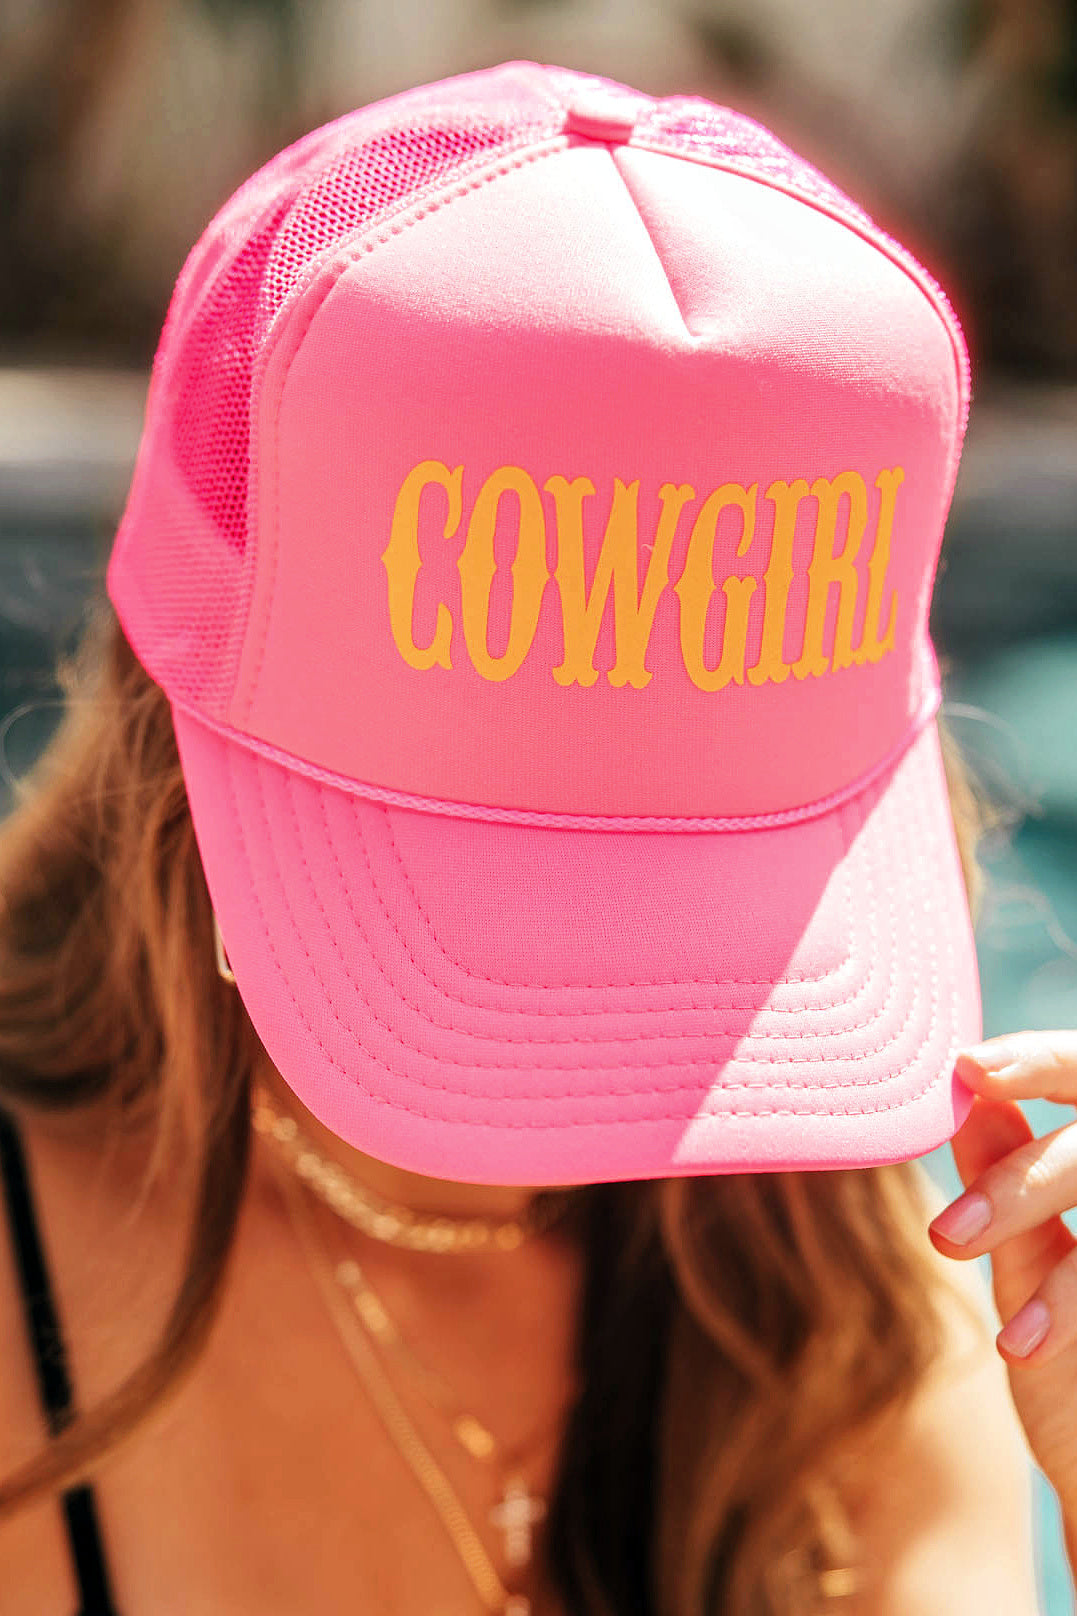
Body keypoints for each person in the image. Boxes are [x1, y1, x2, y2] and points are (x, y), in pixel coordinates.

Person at [0, 57, 1072, 1616]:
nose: (648, 1049)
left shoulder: (848, 1277)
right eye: (525, 876)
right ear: (185, 744)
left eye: (705, 891)